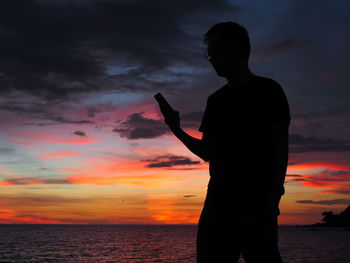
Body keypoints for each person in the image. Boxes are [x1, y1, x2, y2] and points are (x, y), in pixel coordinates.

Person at [158, 22, 290, 263]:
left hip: (257, 202)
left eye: (216, 50)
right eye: (209, 53)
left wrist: (274, 193)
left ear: (237, 48)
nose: (211, 58)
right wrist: (175, 128)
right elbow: (207, 151)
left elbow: (280, 146)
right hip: (218, 202)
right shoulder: (216, 100)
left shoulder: (268, 90)